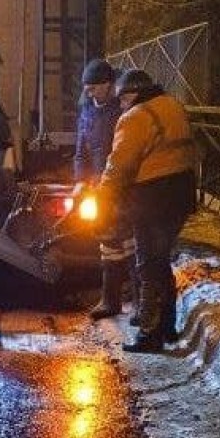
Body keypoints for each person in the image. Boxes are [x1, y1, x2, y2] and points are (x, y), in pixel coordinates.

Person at [96, 70, 198, 353]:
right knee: (160, 259)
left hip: (153, 196)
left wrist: (104, 195)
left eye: (123, 98)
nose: (121, 105)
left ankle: (150, 334)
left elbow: (120, 164)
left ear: (133, 94)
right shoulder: (172, 105)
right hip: (182, 191)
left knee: (149, 264)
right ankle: (167, 326)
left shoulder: (136, 117)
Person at [73, 59, 135, 321]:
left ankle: (139, 301)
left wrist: (113, 180)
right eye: (86, 88)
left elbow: (126, 153)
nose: (89, 92)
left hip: (123, 186)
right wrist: (80, 179)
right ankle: (110, 300)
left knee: (130, 242)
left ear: (109, 86)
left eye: (94, 87)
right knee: (107, 241)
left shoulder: (123, 112)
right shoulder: (87, 111)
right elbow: (81, 151)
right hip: (100, 187)